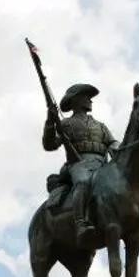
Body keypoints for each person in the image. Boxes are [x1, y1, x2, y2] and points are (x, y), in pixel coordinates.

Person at [42, 83, 118, 246]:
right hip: (78, 163)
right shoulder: (66, 124)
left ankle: (136, 227)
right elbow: (50, 145)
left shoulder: (100, 126)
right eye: (86, 97)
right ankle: (80, 223)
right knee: (83, 181)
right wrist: (50, 122)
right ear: (75, 100)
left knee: (123, 185)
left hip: (101, 164)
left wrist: (122, 151)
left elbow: (112, 143)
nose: (90, 100)